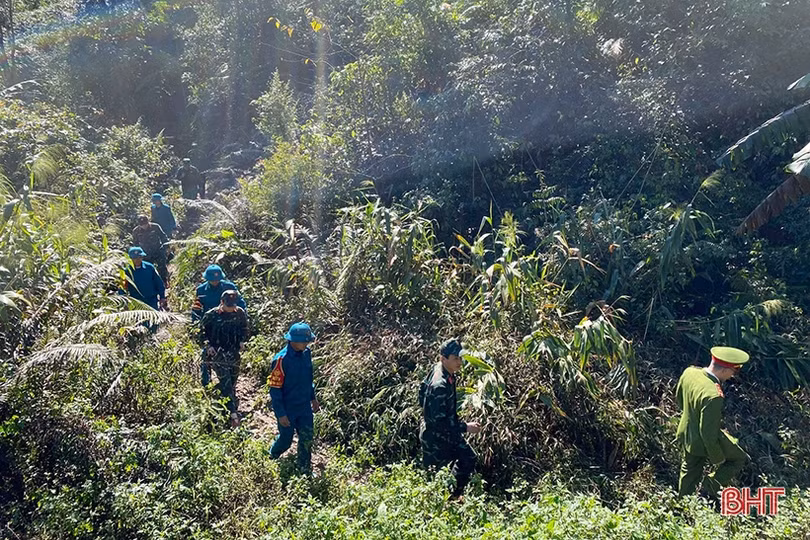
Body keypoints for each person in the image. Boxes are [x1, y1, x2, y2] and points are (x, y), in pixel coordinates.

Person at [676, 346, 750, 498]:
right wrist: (717, 457)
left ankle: (681, 505)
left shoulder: (689, 372)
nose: (732, 376)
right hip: (701, 439)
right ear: (724, 370)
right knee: (738, 458)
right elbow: (708, 433)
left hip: (686, 430)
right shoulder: (714, 395)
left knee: (688, 470)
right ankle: (707, 489)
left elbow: (679, 399)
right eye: (733, 372)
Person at [419, 338, 480, 499]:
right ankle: (447, 502)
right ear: (443, 359)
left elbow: (421, 392)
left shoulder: (445, 371)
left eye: (460, 358)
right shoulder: (440, 384)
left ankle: (452, 497)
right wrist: (465, 427)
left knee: (467, 458)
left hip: (444, 431)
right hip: (435, 437)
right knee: (436, 478)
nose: (459, 362)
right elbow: (440, 422)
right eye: (455, 359)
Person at [267, 322, 320, 474]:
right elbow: (275, 390)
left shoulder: (306, 354)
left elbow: (308, 378)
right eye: (305, 341)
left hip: (303, 407)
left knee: (307, 437)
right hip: (287, 408)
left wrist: (313, 398)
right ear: (293, 341)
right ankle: (273, 454)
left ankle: (304, 469)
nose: (307, 344)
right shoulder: (281, 360)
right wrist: (281, 414)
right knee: (286, 440)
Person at [199, 289, 249, 428]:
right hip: (217, 353)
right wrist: (208, 346)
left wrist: (242, 341)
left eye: (233, 305)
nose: (231, 308)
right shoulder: (211, 315)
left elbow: (245, 329)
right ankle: (232, 414)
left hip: (233, 351)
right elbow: (201, 333)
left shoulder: (239, 313)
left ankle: (226, 399)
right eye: (228, 306)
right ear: (222, 303)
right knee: (225, 380)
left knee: (233, 379)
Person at [192, 265, 246, 386]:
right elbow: (196, 310)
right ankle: (206, 383)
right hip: (210, 326)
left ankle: (230, 383)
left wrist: (238, 318)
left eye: (217, 279)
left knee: (232, 355)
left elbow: (241, 305)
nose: (215, 281)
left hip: (229, 326)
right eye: (212, 279)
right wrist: (196, 326)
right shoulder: (201, 290)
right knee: (206, 355)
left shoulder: (230, 288)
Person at [132, 215, 169, 284]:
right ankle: (152, 283)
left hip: (158, 250)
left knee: (162, 267)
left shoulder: (155, 227)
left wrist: (165, 248)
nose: (144, 226)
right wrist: (138, 255)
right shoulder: (136, 231)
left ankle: (164, 281)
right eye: (142, 225)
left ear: (148, 222)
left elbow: (163, 237)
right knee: (148, 270)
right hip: (146, 254)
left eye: (145, 224)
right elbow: (135, 243)